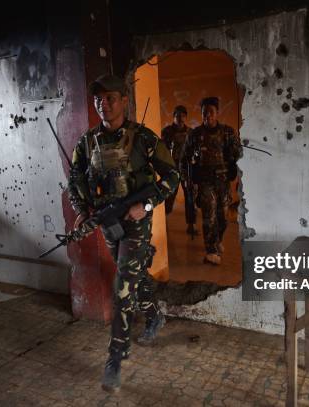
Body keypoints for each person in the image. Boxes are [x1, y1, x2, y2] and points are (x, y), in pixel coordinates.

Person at [67, 74, 179, 392]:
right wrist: (81, 209)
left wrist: (145, 204)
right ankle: (155, 314)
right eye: (98, 99)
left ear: (124, 101)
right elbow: (74, 178)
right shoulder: (86, 142)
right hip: (108, 223)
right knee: (133, 275)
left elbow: (172, 176)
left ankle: (115, 358)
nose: (104, 104)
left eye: (110, 98)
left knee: (123, 287)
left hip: (136, 222)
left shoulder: (143, 138)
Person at [181, 97, 242, 265]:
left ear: (217, 113)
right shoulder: (194, 135)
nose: (207, 115)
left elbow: (238, 156)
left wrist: (236, 153)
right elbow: (184, 159)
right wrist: (186, 180)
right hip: (204, 182)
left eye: (211, 112)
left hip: (223, 182)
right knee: (209, 215)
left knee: (223, 218)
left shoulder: (228, 132)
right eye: (204, 112)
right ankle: (211, 251)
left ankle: (217, 240)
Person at [161, 105, 198, 235]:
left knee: (190, 196)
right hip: (172, 168)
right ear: (174, 117)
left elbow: (195, 150)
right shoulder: (166, 131)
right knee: (169, 195)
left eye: (183, 116)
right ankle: (163, 222)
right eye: (177, 116)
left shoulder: (190, 132)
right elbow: (162, 151)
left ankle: (191, 225)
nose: (180, 118)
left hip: (186, 168)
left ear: (186, 117)